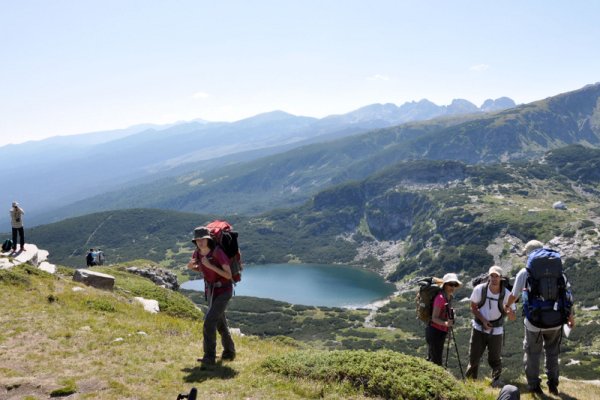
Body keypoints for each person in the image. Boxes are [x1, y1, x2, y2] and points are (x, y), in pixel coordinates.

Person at [503, 240, 575, 395]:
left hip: (534, 323)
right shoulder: (558, 272)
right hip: (556, 321)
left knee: (532, 353)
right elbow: (567, 295)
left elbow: (514, 296)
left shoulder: (525, 272)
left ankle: (534, 386)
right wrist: (571, 316)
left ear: (529, 254)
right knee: (552, 353)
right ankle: (553, 385)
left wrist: (507, 306)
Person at [187, 226, 236, 365]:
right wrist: (192, 268)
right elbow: (201, 268)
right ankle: (229, 352)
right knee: (220, 324)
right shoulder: (197, 253)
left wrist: (210, 265)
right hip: (211, 291)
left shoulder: (217, 252)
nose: (200, 242)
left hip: (224, 291)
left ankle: (209, 357)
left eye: (203, 239)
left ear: (208, 239)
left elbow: (228, 275)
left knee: (209, 323)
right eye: (197, 240)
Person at [466, 266, 516, 387]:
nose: (494, 279)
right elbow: (473, 307)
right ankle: (470, 383)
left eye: (496, 276)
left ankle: (496, 381)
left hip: (497, 330)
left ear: (501, 278)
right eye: (492, 276)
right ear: (488, 277)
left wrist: (509, 312)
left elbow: (513, 317)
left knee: (495, 358)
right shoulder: (479, 289)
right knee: (474, 357)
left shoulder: (507, 294)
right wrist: (483, 321)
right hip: (479, 327)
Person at [426, 272, 461, 366]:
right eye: (450, 284)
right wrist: (446, 324)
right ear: (445, 285)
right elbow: (434, 318)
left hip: (440, 331)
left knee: (434, 358)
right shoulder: (440, 298)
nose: (453, 287)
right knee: (436, 361)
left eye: (455, 285)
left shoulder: (449, 297)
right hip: (434, 332)